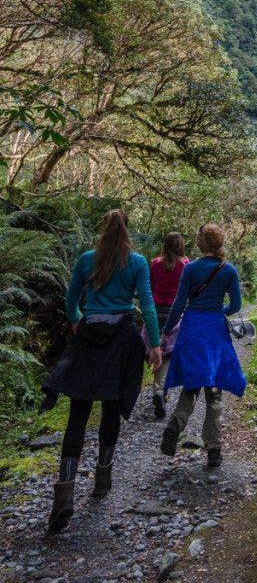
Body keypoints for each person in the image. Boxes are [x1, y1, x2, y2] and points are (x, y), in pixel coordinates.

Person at [41, 209, 162, 532]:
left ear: (103, 229)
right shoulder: (136, 263)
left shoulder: (85, 259)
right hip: (121, 339)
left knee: (78, 414)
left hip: (90, 336)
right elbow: (147, 305)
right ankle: (102, 478)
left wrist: (78, 321)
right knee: (111, 406)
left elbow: (70, 300)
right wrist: (155, 344)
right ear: (127, 231)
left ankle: (65, 494)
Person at [159, 223, 246, 468]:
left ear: (200, 244)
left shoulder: (190, 269)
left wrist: (166, 333)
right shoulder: (229, 270)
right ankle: (214, 449)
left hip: (192, 330)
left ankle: (176, 424)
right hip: (214, 331)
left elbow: (178, 305)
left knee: (192, 383)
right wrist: (220, 312)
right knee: (215, 390)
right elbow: (236, 306)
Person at [144, 232, 189, 419]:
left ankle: (160, 392)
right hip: (176, 313)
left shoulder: (155, 263)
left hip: (155, 312)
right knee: (168, 354)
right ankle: (160, 392)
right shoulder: (186, 265)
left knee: (156, 349)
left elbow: (151, 286)